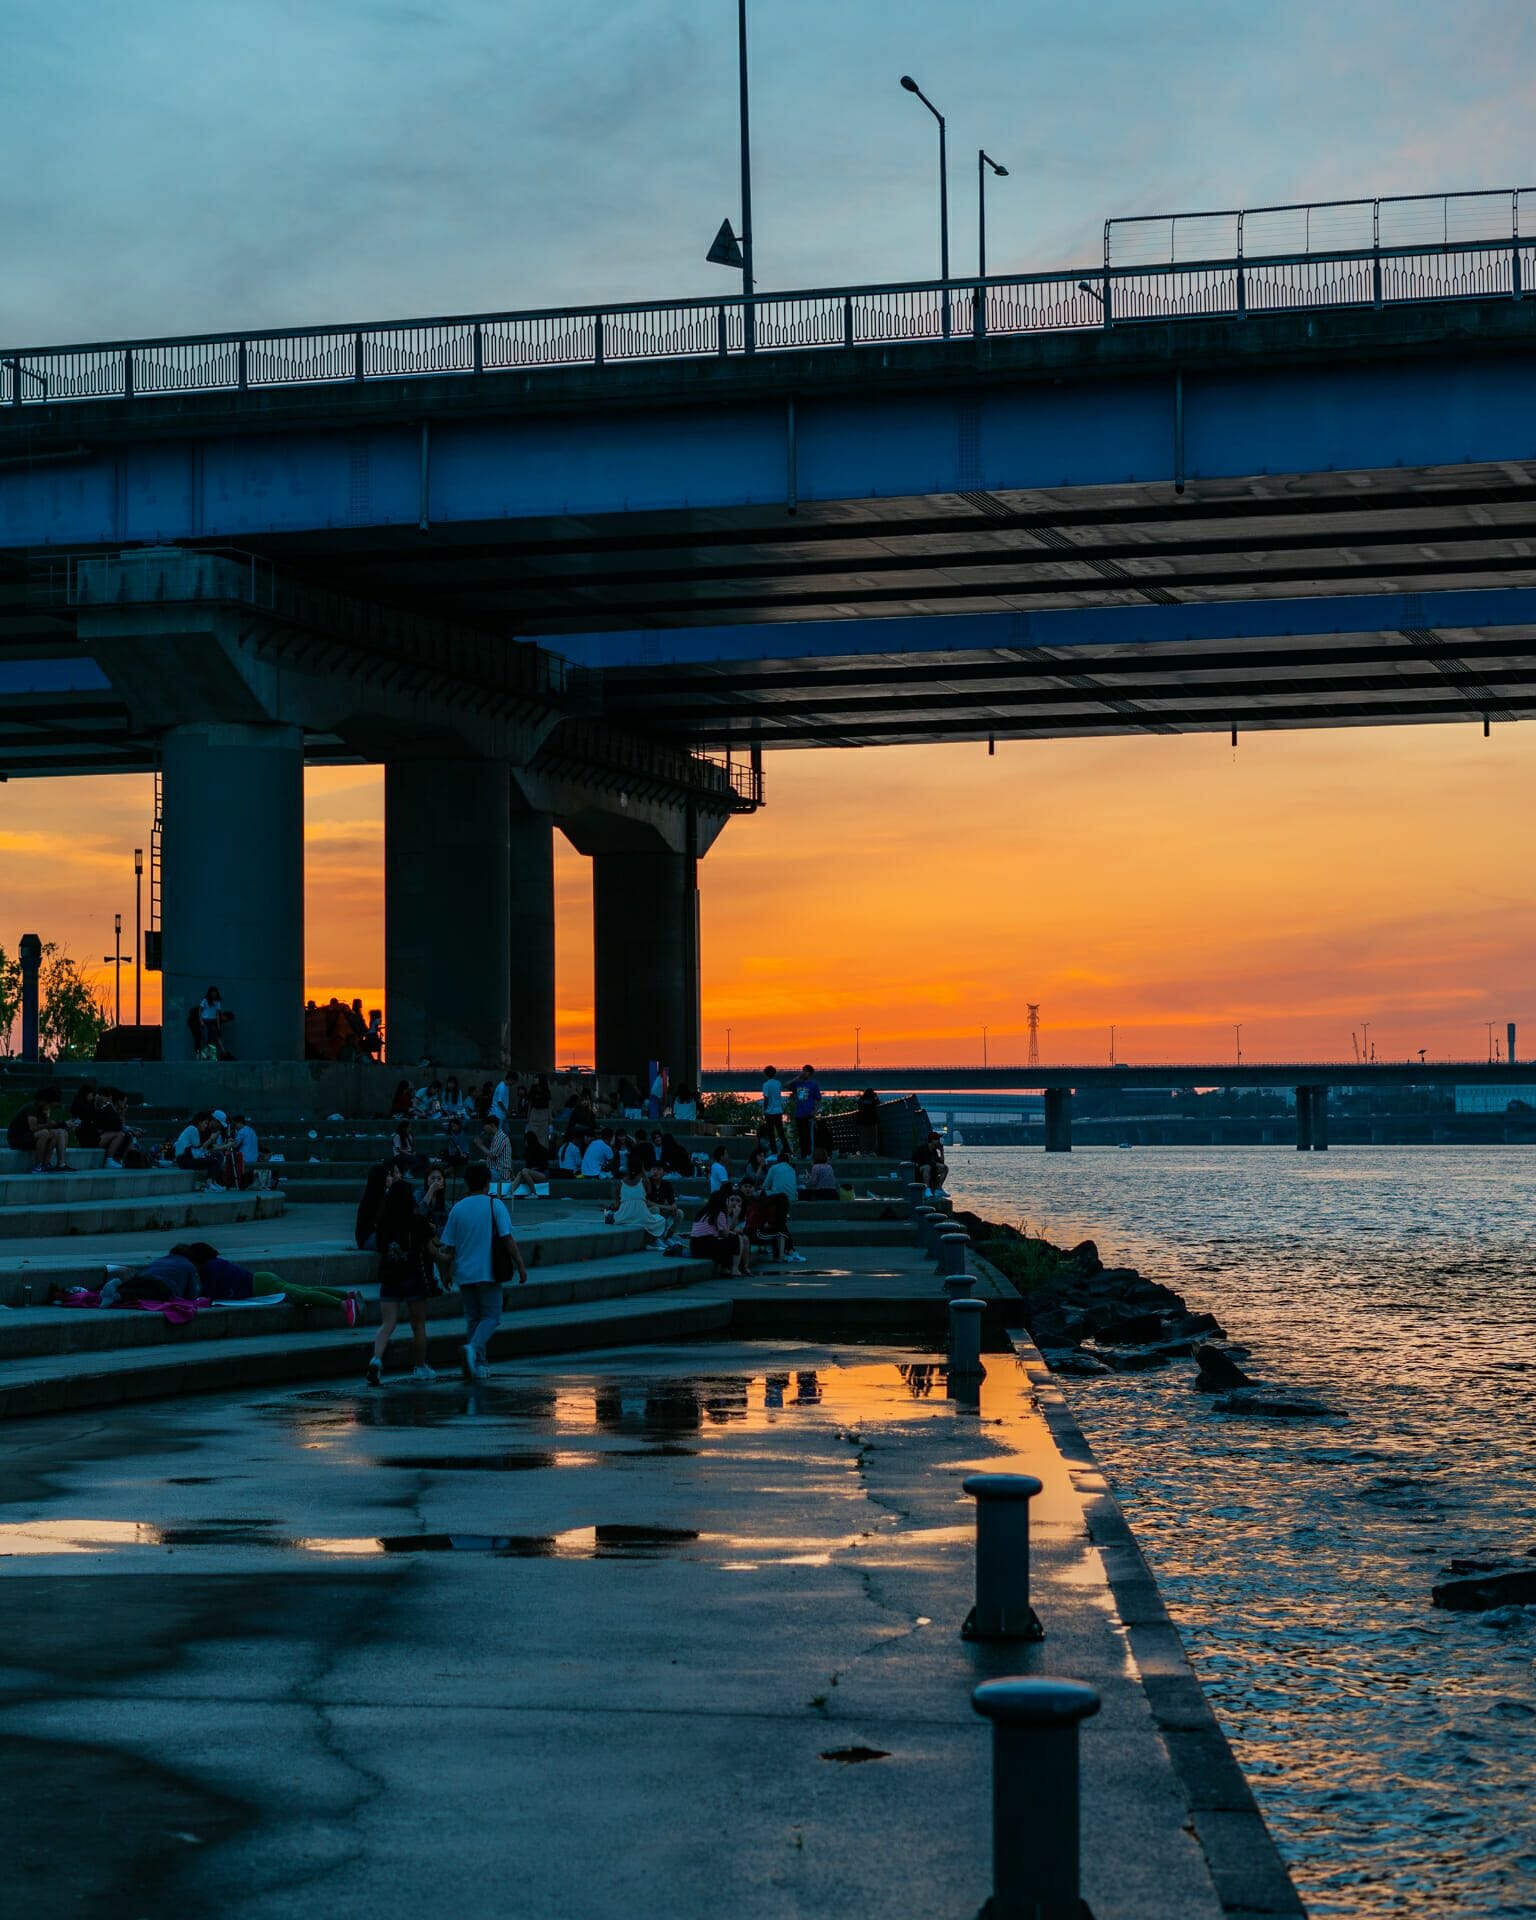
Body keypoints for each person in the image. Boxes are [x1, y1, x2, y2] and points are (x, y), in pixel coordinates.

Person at [438, 1162, 527, 1379]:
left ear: (467, 1183)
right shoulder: (495, 1205)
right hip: (488, 1271)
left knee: (473, 1318)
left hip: (464, 1273)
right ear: (488, 1182)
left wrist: (446, 1272)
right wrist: (520, 1263)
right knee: (492, 1316)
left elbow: (449, 1246)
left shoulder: (458, 1208)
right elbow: (507, 1238)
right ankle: (473, 1349)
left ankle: (478, 1363)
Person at [367, 1180, 439, 1385]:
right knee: (418, 1325)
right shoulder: (417, 1222)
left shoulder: (383, 1223)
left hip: (389, 1276)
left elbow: (379, 1247)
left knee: (387, 1324)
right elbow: (431, 1245)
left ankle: (376, 1359)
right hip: (413, 1277)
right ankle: (420, 1367)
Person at [7, 1087, 72, 1172]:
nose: (55, 1105)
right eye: (54, 1102)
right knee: (44, 1133)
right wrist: (50, 1124)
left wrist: (63, 1124)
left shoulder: (44, 1109)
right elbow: (33, 1128)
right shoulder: (32, 1108)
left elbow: (48, 1125)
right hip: (18, 1138)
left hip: (31, 1137)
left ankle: (48, 1164)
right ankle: (38, 1165)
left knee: (56, 1133)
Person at [690, 1191, 749, 1276]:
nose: (730, 1203)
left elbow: (722, 1232)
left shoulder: (704, 1212)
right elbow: (725, 1234)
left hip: (695, 1246)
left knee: (725, 1242)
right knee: (737, 1239)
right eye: (729, 1200)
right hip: (704, 1246)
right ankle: (735, 1269)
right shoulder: (719, 1213)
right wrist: (735, 1216)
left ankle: (725, 1268)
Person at [608, 1166, 669, 1244]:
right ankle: (656, 1241)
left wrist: (611, 1208)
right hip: (640, 1217)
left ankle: (655, 1241)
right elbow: (649, 1191)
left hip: (624, 1217)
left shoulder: (619, 1183)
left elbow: (617, 1205)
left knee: (611, 1215)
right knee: (661, 1219)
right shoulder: (644, 1181)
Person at [789, 1065, 823, 1156]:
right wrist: (797, 1078)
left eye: (806, 1071)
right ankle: (803, 1154)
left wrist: (814, 1111)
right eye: (803, 1070)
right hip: (799, 1113)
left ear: (810, 1073)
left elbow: (819, 1100)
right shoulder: (798, 1084)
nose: (804, 1072)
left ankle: (809, 1153)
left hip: (808, 1114)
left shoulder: (813, 1085)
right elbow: (786, 1085)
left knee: (807, 1134)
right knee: (801, 1135)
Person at [478, 1115, 513, 1188]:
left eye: (485, 1126)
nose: (484, 1128)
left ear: (492, 1125)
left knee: (479, 1175)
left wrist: (480, 1145)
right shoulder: (496, 1137)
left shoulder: (500, 1137)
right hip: (495, 1170)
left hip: (500, 1173)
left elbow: (493, 1156)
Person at [760, 1066, 788, 1154]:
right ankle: (787, 1149)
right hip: (778, 1111)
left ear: (765, 1074)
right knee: (781, 1132)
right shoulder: (778, 1083)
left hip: (769, 1112)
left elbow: (766, 1098)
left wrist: (764, 1109)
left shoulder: (766, 1085)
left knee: (771, 1133)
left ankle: (774, 1151)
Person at [526, 1075, 552, 1145]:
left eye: (536, 1078)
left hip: (543, 1114)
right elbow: (530, 1104)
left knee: (543, 1137)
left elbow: (549, 1104)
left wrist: (550, 1117)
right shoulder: (533, 1089)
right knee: (532, 1134)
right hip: (534, 1114)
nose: (535, 1079)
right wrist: (528, 1116)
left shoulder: (546, 1091)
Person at [856, 1087, 881, 1156]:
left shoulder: (861, 1100)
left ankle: (864, 1151)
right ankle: (872, 1151)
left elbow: (859, 1106)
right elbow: (878, 1104)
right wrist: (876, 1097)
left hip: (862, 1121)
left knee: (863, 1137)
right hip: (872, 1121)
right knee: (872, 1137)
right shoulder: (873, 1100)